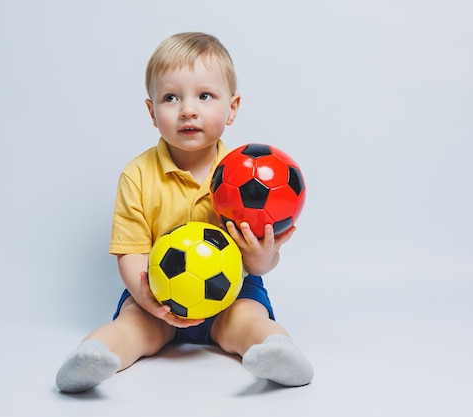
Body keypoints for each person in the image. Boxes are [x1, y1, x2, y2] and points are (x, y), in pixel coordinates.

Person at [56, 32, 313, 393]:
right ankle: (95, 356)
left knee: (247, 319)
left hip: (232, 291)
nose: (188, 109)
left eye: (205, 96)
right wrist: (146, 296)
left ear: (233, 108)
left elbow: (260, 262)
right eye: (171, 97)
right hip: (159, 293)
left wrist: (263, 257)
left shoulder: (247, 175)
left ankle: (275, 352)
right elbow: (131, 251)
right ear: (152, 111)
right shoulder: (138, 175)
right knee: (134, 325)